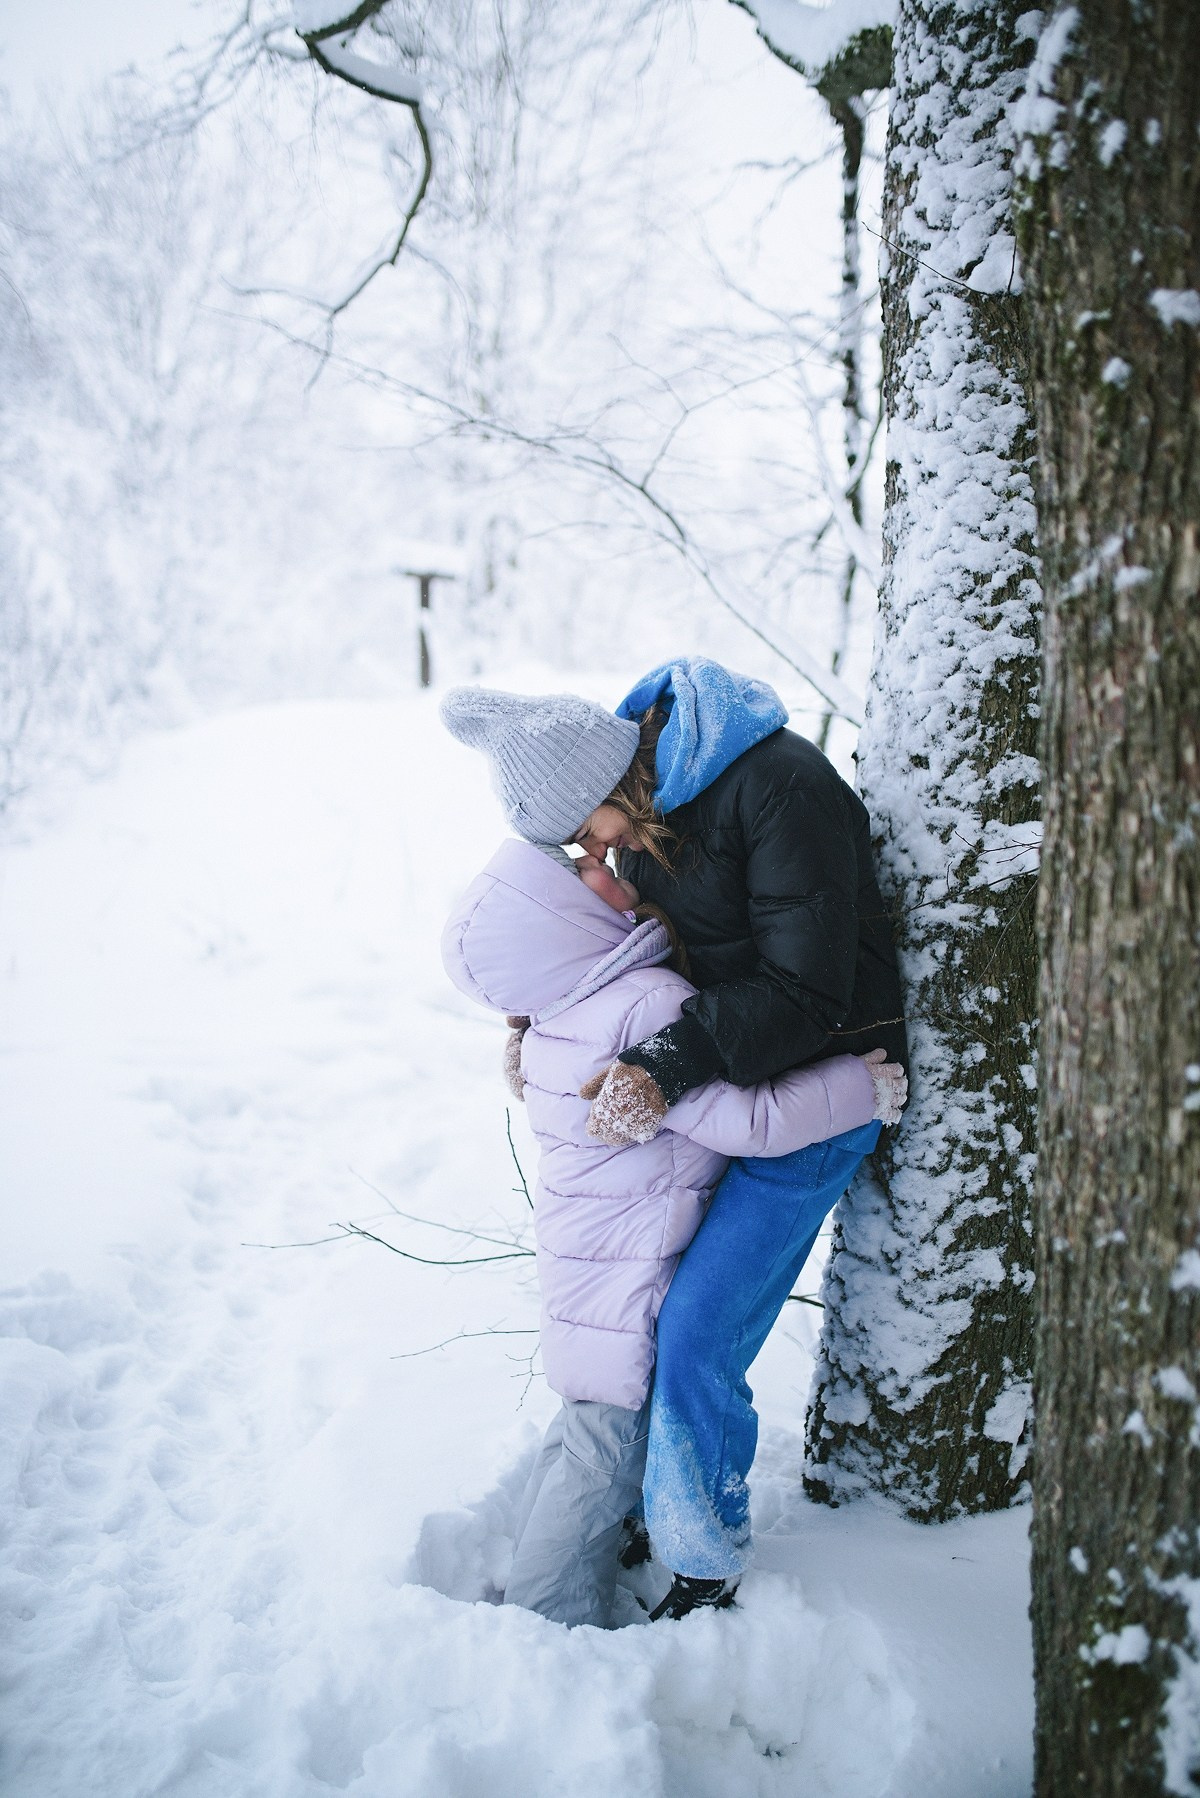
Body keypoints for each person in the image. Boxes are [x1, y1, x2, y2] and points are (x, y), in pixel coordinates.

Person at [440, 661, 908, 1620]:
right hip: (720, 1087)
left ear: (604, 784)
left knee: (693, 1333)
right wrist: (550, 1020)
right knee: (649, 1325)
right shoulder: (651, 814)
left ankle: (702, 1556)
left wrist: (663, 1061)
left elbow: (807, 989)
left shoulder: (777, 788)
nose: (595, 857)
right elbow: (642, 951)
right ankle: (639, 1507)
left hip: (817, 1086)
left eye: (584, 834)